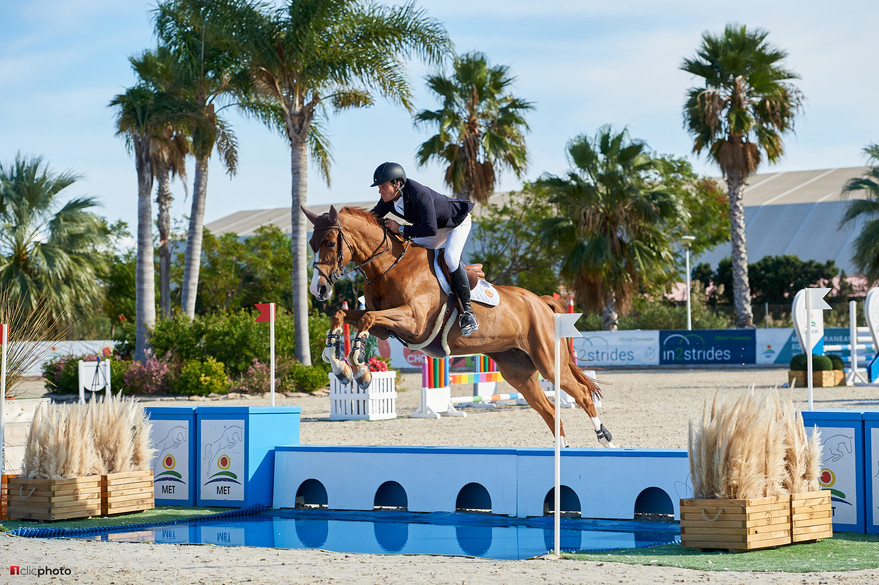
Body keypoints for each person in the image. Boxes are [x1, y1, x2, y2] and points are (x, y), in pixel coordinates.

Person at [369, 161, 479, 336]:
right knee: (410, 253)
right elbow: (371, 217)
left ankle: (468, 312)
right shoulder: (389, 199)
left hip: (456, 223)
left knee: (450, 257)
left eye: (383, 186)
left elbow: (430, 229)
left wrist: (401, 228)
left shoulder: (419, 194)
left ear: (397, 184)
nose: (379, 191)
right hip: (434, 226)